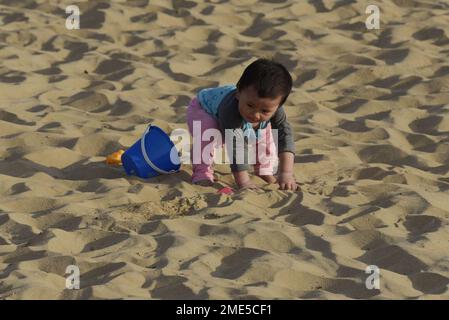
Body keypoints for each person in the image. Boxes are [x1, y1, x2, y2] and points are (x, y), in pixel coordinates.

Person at [186, 58, 298, 191]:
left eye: (265, 111)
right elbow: (237, 146)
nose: (255, 114)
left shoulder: (275, 110)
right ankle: (202, 171)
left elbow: (284, 137)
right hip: (204, 109)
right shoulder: (230, 110)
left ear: (278, 106)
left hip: (238, 115)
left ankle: (263, 169)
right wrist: (244, 181)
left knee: (264, 132)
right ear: (238, 93)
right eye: (250, 105)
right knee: (209, 133)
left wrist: (286, 173)